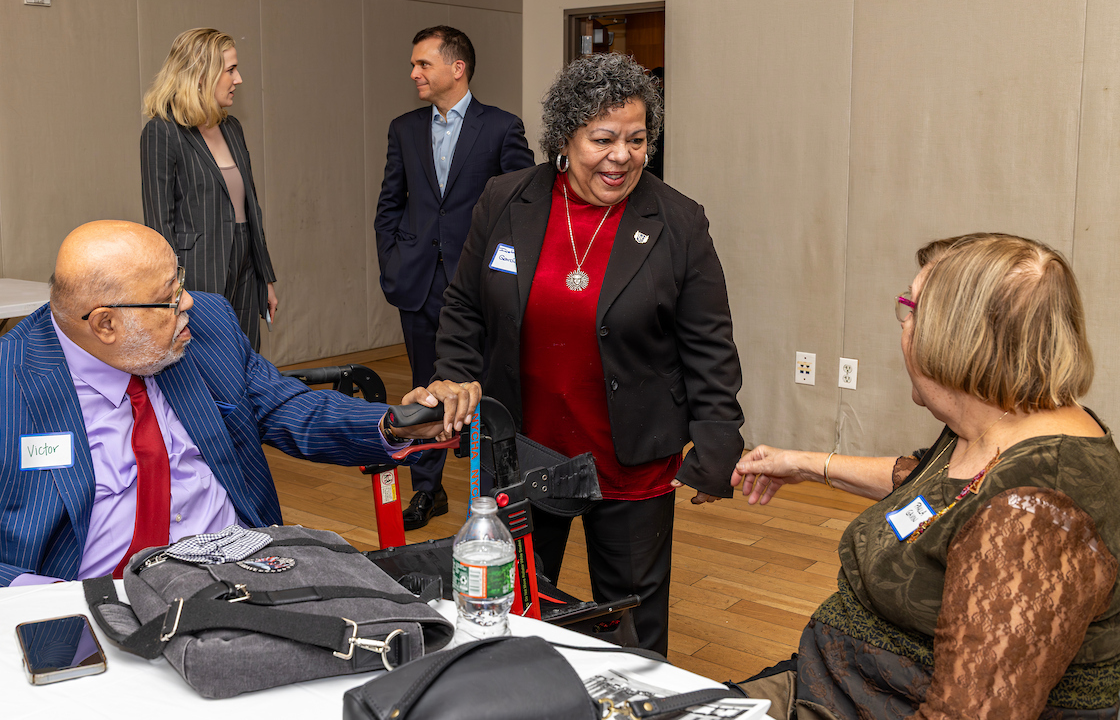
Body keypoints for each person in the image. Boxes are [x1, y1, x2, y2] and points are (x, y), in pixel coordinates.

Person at [0, 221, 469, 597]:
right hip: (100, 604)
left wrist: (398, 423)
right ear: (105, 323)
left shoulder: (206, 326)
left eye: (179, 282)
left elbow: (288, 407)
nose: (186, 302)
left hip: (245, 581)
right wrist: (52, 603)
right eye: (167, 298)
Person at [428, 53, 745, 655]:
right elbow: (465, 304)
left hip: (629, 458)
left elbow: (709, 343)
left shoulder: (678, 221)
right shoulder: (506, 200)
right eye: (603, 139)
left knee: (634, 628)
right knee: (515, 611)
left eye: (636, 139)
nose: (621, 156)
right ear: (564, 139)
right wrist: (454, 376)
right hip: (525, 452)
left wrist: (717, 441)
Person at [731, 234, 1120, 719]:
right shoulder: (1001, 417)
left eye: (912, 308)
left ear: (955, 337)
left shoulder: (1032, 517)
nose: (903, 322)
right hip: (840, 678)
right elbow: (939, 492)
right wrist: (803, 464)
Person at [374, 25, 534, 531]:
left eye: (423, 63)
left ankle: (493, 495)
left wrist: (506, 276)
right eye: (414, 64)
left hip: (481, 288)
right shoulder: (404, 129)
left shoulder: (501, 128)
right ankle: (427, 490)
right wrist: (392, 261)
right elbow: (389, 204)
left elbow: (524, 209)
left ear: (456, 68)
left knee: (489, 388)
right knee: (425, 387)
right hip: (418, 282)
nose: (414, 73)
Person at [141, 28, 277, 352]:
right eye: (231, 70)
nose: (238, 79)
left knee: (246, 356)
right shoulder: (162, 131)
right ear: (201, 75)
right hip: (197, 273)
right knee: (210, 361)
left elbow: (251, 208)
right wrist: (172, 289)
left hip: (246, 265)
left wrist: (266, 278)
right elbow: (159, 224)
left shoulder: (232, 127)